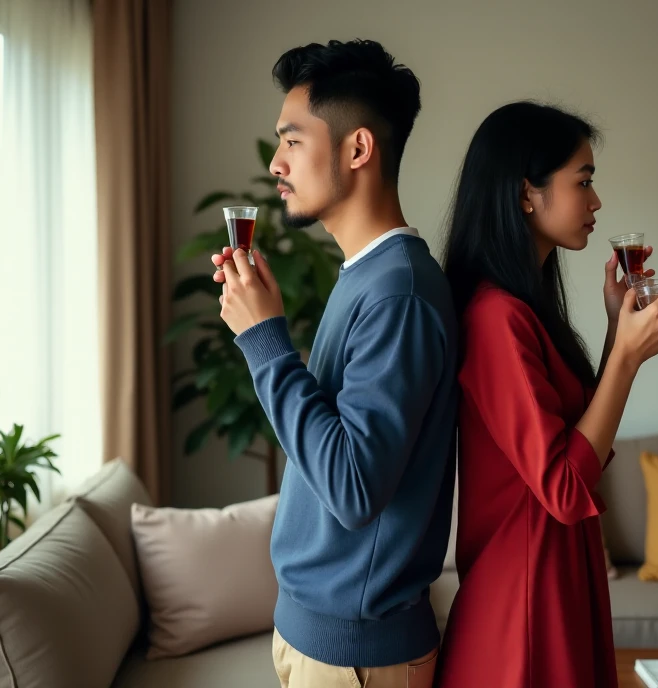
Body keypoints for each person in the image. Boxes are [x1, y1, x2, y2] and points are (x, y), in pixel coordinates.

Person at [211, 39, 458, 688]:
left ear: (357, 149)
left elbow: (353, 486)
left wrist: (265, 339)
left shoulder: (398, 290)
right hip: (319, 636)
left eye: (292, 140)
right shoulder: (367, 276)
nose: (277, 162)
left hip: (357, 653)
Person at [435, 101, 658, 688]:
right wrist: (626, 356)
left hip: (551, 581)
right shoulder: (497, 318)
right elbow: (567, 486)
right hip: (524, 603)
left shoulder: (525, 310)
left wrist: (614, 336)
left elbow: (574, 448)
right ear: (527, 193)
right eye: (584, 181)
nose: (596, 201)